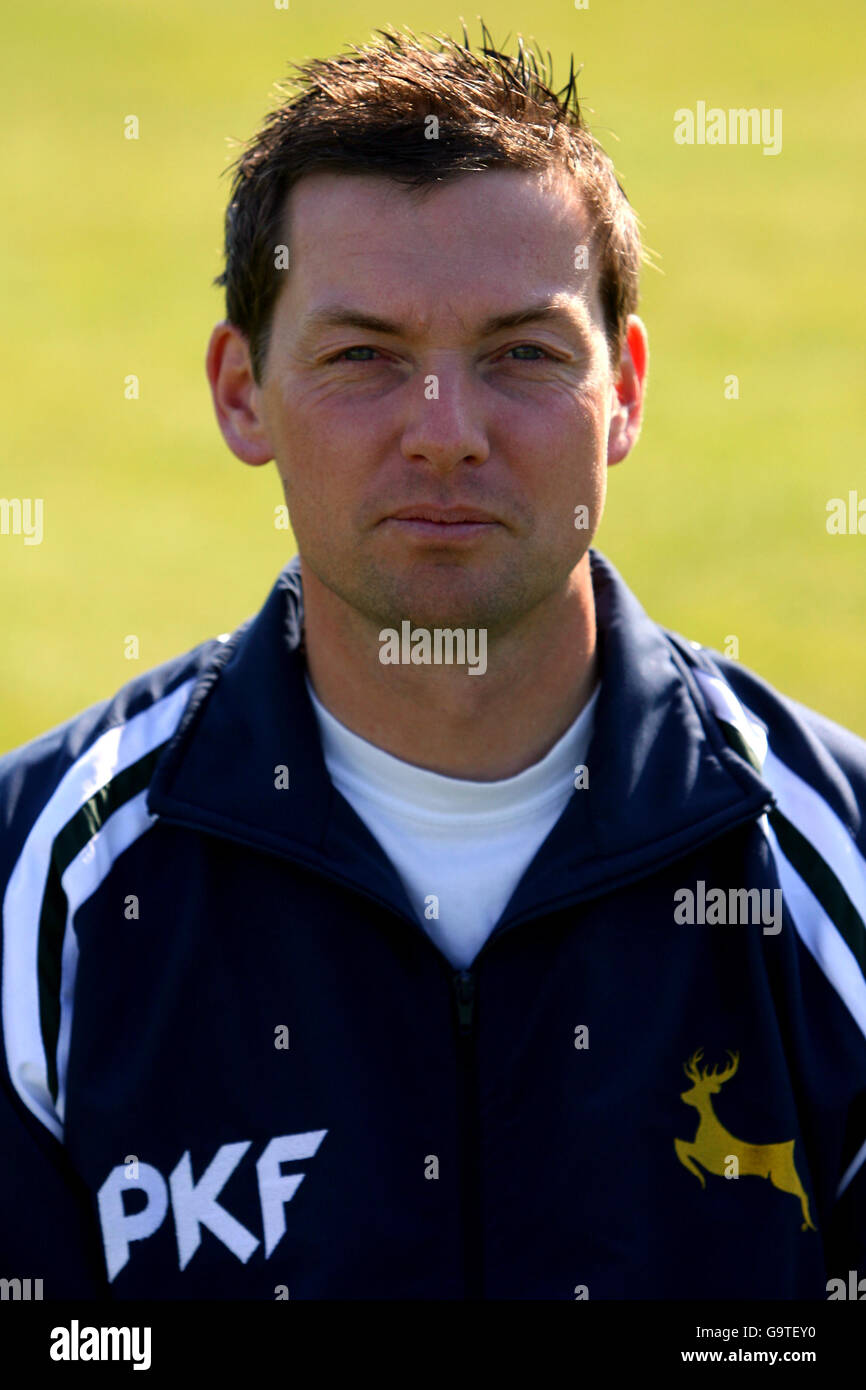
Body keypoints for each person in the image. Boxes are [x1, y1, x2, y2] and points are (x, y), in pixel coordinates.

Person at [1, 23, 864, 1301]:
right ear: (241, 392)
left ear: (622, 390)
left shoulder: (831, 871)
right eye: (363, 358)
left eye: (523, 354)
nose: (444, 435)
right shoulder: (43, 891)